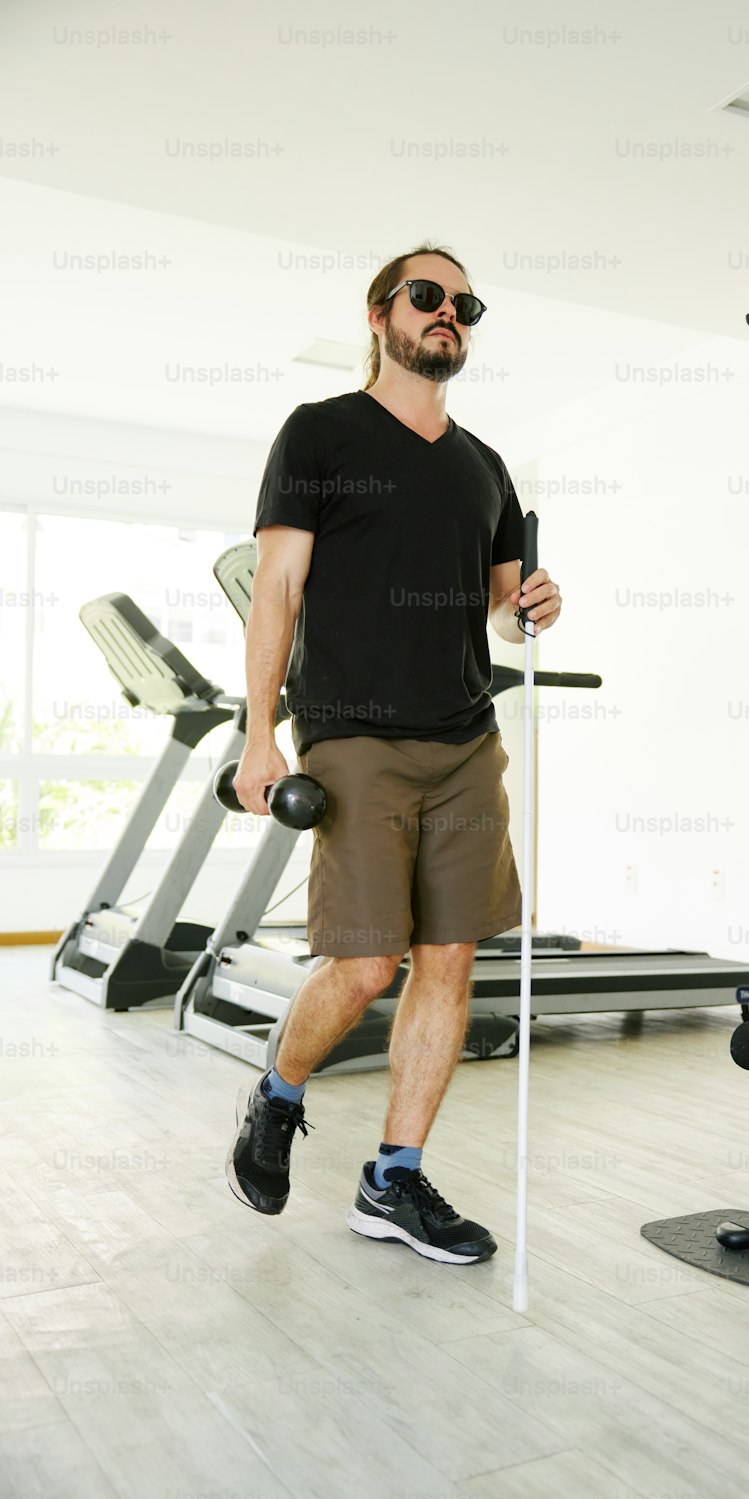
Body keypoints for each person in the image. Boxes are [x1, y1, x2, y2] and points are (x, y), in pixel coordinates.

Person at [226, 242, 562, 1264]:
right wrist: (259, 730)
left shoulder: (485, 467)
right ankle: (279, 1093)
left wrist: (532, 608)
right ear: (379, 315)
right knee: (368, 959)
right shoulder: (320, 433)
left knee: (449, 959)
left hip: (466, 740)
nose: (448, 312)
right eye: (428, 296)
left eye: (465, 303)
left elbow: (508, 613)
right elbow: (277, 588)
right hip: (355, 732)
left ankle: (394, 1179)